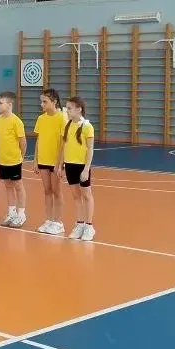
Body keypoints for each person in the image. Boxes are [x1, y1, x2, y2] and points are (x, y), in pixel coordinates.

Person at [58, 96, 96, 241]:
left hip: (82, 166)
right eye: (66, 108)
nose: (67, 111)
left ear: (79, 109)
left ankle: (89, 226)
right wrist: (61, 165)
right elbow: (64, 147)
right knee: (76, 196)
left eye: (69, 108)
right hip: (70, 165)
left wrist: (86, 169)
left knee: (86, 195)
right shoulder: (67, 126)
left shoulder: (87, 127)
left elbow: (90, 149)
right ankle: (79, 224)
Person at [33, 89, 66, 236]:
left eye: (45, 101)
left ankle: (58, 223)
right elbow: (39, 140)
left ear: (54, 102)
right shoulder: (41, 119)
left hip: (55, 162)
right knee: (47, 191)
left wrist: (59, 164)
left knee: (56, 191)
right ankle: (49, 220)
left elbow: (63, 143)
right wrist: (35, 160)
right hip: (43, 160)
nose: (42, 104)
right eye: (41, 101)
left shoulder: (62, 118)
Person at [0, 91, 27, 227]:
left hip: (14, 161)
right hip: (3, 160)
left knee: (18, 186)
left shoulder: (16, 121)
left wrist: (21, 158)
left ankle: (21, 214)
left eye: (0, 103)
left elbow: (23, 142)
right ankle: (11, 212)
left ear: (9, 104)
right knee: (8, 186)